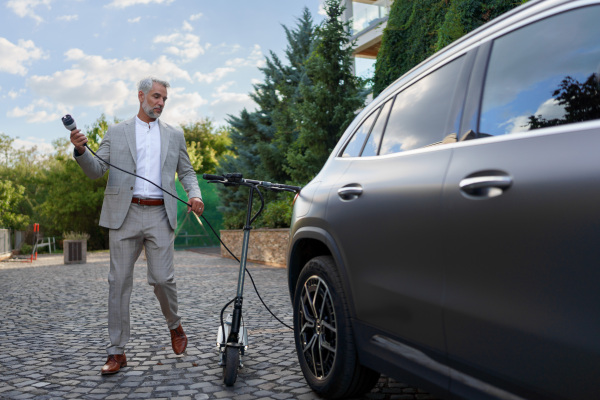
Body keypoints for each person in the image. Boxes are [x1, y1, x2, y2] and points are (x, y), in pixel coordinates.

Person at [69, 77, 204, 375]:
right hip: (124, 214)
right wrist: (81, 151)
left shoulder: (175, 134)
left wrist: (194, 194)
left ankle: (175, 325)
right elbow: (96, 170)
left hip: (160, 215)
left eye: (164, 99)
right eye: (156, 96)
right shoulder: (116, 132)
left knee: (162, 279)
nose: (160, 103)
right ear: (141, 96)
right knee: (118, 283)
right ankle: (116, 351)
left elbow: (187, 171)